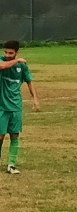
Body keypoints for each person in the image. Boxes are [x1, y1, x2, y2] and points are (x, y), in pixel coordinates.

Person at [0, 41, 40, 175]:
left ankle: (11, 165)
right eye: (6, 52)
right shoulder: (2, 61)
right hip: (1, 107)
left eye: (11, 53)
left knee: (15, 135)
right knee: (0, 136)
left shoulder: (22, 67)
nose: (7, 55)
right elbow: (2, 66)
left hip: (16, 106)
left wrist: (35, 98)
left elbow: (29, 81)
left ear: (17, 52)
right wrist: (17, 61)